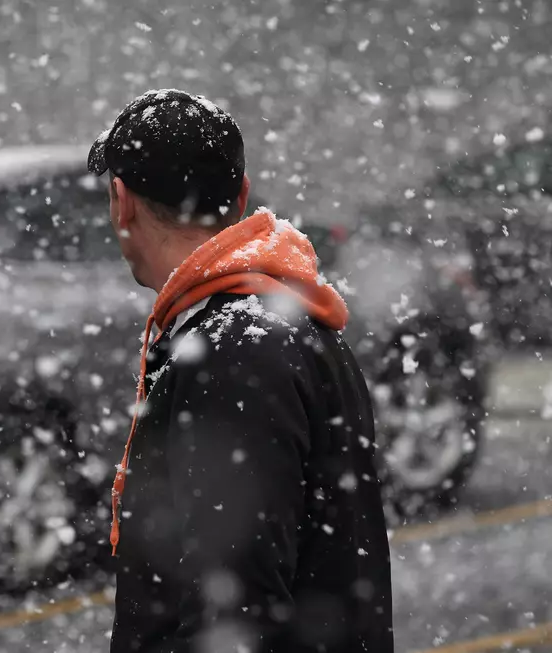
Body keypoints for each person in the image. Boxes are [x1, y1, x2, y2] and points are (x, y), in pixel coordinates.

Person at [87, 89, 394, 653]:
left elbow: (235, 611)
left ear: (120, 200)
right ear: (242, 195)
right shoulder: (286, 321)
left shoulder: (233, 352)